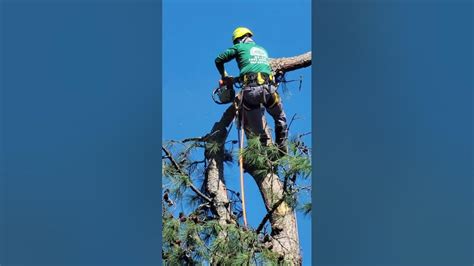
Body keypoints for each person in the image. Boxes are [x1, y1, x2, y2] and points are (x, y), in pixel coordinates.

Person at [215, 27, 288, 155]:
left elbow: (219, 60)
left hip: (252, 93)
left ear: (240, 39)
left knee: (257, 133)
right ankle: (281, 148)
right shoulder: (262, 50)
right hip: (269, 90)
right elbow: (255, 71)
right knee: (280, 118)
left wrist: (224, 76)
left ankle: (264, 152)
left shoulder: (239, 47)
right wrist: (235, 79)